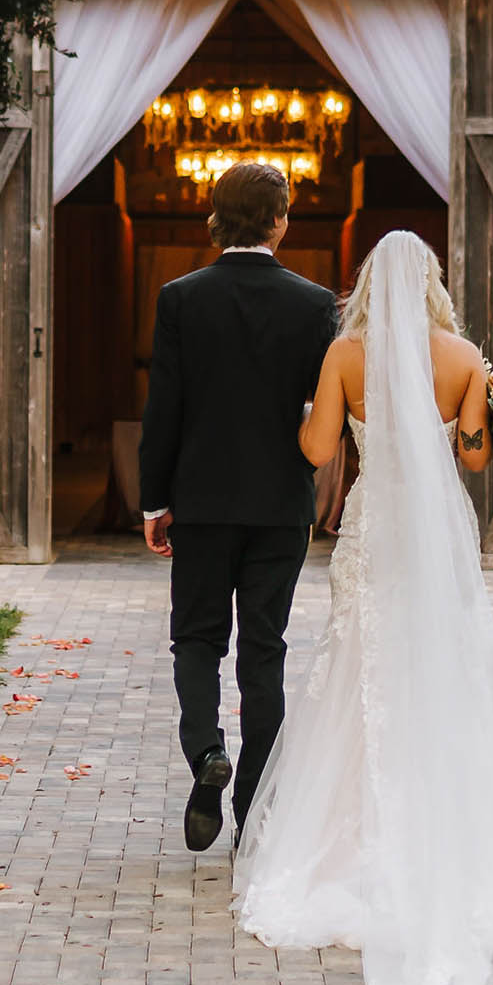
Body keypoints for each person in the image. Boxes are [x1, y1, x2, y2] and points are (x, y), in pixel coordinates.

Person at [232, 229, 493, 985]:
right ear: (430, 284)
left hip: (373, 527)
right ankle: (434, 834)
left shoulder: (347, 356)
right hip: (435, 531)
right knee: (429, 668)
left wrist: (322, 411)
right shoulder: (461, 358)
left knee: (358, 665)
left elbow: (315, 448)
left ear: (368, 285)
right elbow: (476, 459)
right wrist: (488, 413)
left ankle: (345, 846)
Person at [140, 160, 338, 852]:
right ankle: (252, 804)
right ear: (280, 220)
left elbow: (163, 409)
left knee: (195, 640)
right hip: (281, 504)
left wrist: (154, 502)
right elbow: (322, 414)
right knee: (264, 651)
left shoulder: (180, 298)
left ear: (216, 218)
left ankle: (205, 755)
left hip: (199, 500)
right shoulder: (315, 305)